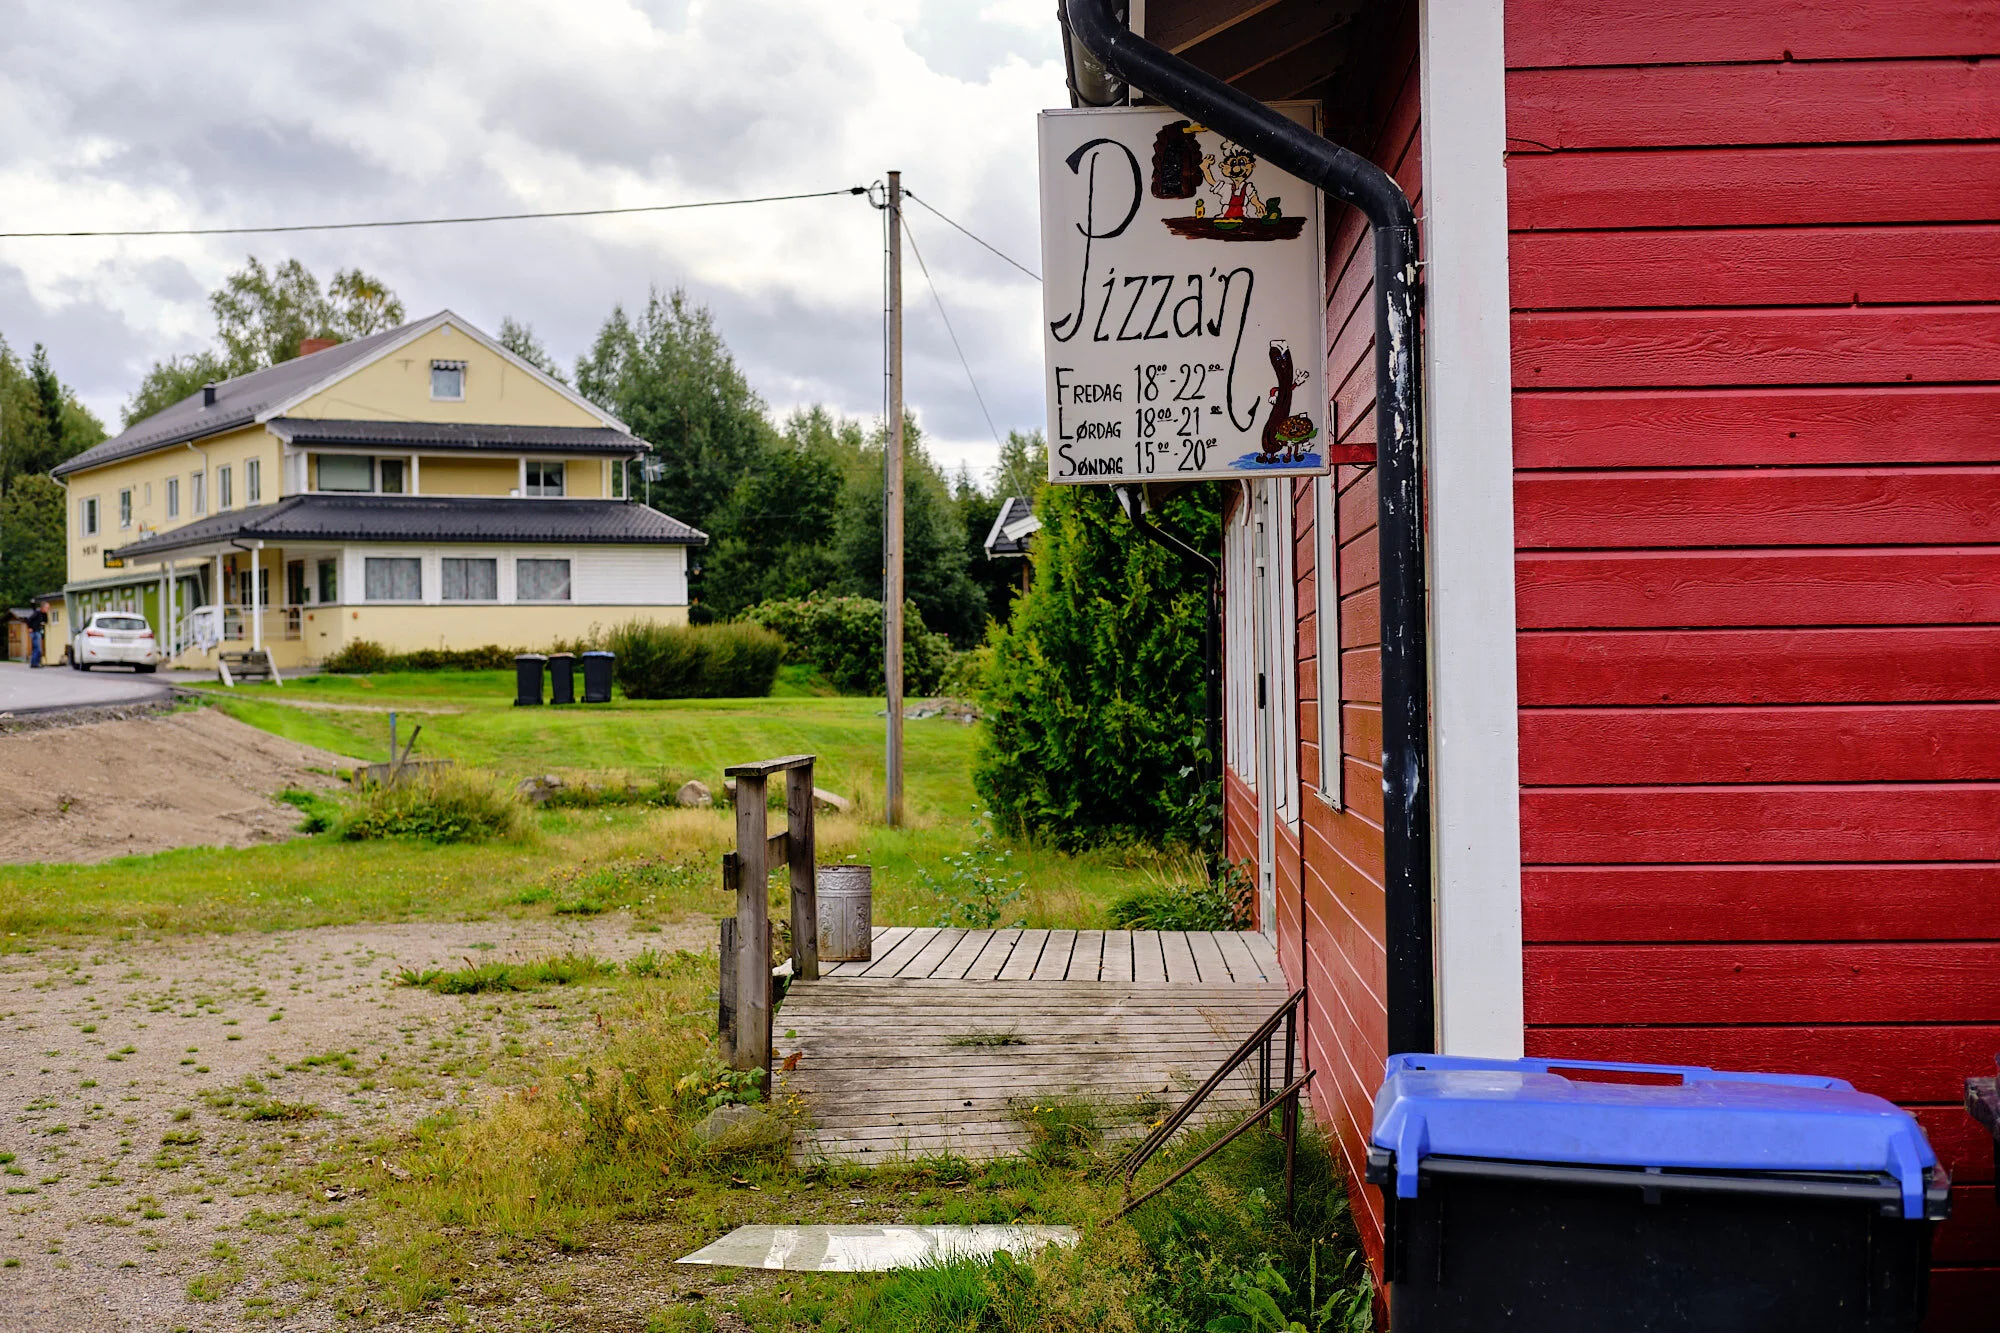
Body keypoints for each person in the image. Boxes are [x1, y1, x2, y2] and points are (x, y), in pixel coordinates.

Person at [25, 602, 48, 669]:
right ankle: (36, 663)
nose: (48, 609)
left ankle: (33, 663)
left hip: (38, 632)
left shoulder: (42, 614)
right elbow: (29, 619)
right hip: (35, 632)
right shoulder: (37, 613)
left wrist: (45, 614)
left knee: (35, 648)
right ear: (43, 607)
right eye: (47, 608)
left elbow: (46, 621)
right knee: (38, 649)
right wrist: (30, 627)